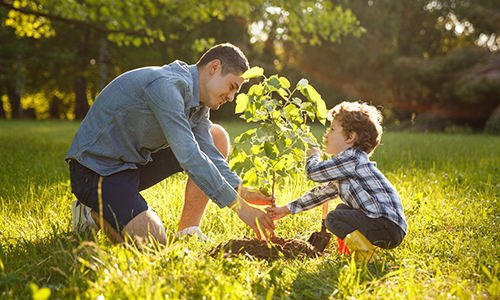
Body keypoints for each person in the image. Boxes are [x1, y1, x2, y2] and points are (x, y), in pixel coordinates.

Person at [66, 43, 276, 246]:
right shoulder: (167, 86)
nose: (231, 97)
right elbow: (189, 155)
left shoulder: (199, 102)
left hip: (133, 163)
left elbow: (208, 151)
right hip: (96, 171)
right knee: (154, 242)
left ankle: (188, 231)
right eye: (232, 87)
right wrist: (240, 207)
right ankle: (90, 214)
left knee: (216, 136)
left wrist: (241, 190)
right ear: (214, 67)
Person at [266, 101, 406, 261]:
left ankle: (366, 257)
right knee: (342, 209)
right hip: (389, 227)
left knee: (334, 218)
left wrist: (313, 156)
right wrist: (286, 209)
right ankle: (354, 252)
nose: (326, 135)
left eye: (332, 130)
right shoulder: (348, 166)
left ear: (350, 137)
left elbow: (313, 173)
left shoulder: (352, 158)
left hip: (385, 225)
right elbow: (321, 194)